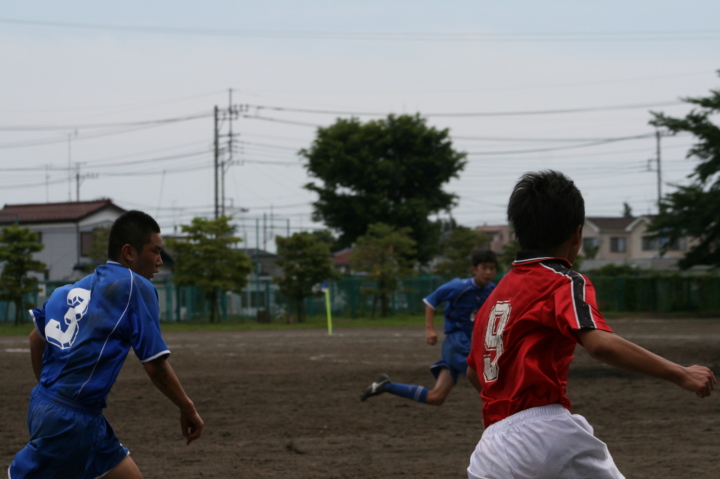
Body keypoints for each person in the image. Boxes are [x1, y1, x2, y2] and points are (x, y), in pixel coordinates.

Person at [465, 171, 715, 479]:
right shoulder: (563, 281)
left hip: (490, 449)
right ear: (577, 234)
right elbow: (600, 344)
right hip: (544, 435)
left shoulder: (494, 299)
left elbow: (474, 373)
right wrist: (681, 373)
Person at [9, 210, 203, 479]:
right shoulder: (135, 286)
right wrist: (187, 407)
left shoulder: (71, 289)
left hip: (63, 408)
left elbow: (35, 339)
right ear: (129, 252)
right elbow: (155, 366)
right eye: (155, 251)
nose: (160, 261)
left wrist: (52, 395)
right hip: (70, 421)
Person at [361, 248, 498, 405]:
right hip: (457, 342)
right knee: (486, 372)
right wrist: (430, 329)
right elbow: (431, 301)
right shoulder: (459, 286)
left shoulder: (492, 290)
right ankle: (498, 404)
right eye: (484, 268)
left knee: (436, 397)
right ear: (474, 269)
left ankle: (385, 385)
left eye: (492, 268)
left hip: (468, 342)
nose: (488, 272)